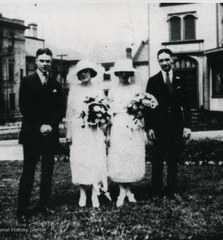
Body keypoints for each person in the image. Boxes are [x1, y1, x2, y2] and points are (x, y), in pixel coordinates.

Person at [17, 48, 64, 223]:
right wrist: (40, 125)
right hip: (32, 134)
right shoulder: (27, 81)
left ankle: (44, 203)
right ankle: (22, 209)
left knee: (47, 170)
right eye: (42, 60)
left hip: (49, 134)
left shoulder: (56, 84)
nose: (45, 64)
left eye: (48, 61)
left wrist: (50, 125)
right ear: (36, 61)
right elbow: (24, 107)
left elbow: (60, 109)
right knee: (28, 171)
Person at [145, 48, 191, 197]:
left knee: (173, 157)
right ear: (158, 62)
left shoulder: (180, 79)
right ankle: (156, 189)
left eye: (167, 59)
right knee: (157, 158)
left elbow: (186, 104)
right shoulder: (153, 81)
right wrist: (149, 127)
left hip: (176, 125)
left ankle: (172, 189)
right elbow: (148, 107)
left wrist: (187, 126)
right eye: (161, 60)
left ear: (172, 60)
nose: (164, 63)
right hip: (159, 126)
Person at [66, 59, 107, 208]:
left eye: (86, 71)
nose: (83, 74)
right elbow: (69, 113)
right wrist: (69, 132)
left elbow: (104, 111)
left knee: (95, 159)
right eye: (81, 72)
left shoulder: (98, 90)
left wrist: (102, 122)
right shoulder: (74, 90)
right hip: (79, 129)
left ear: (92, 72)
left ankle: (95, 193)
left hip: (94, 130)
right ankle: (83, 192)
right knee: (81, 159)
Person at [107, 59, 146, 207]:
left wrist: (139, 119)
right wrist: (108, 133)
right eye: (121, 72)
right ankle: (122, 191)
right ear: (117, 74)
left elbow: (141, 108)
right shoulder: (112, 90)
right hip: (118, 124)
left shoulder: (136, 88)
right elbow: (109, 113)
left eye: (126, 72)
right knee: (120, 155)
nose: (124, 75)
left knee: (131, 155)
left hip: (133, 124)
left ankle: (128, 190)